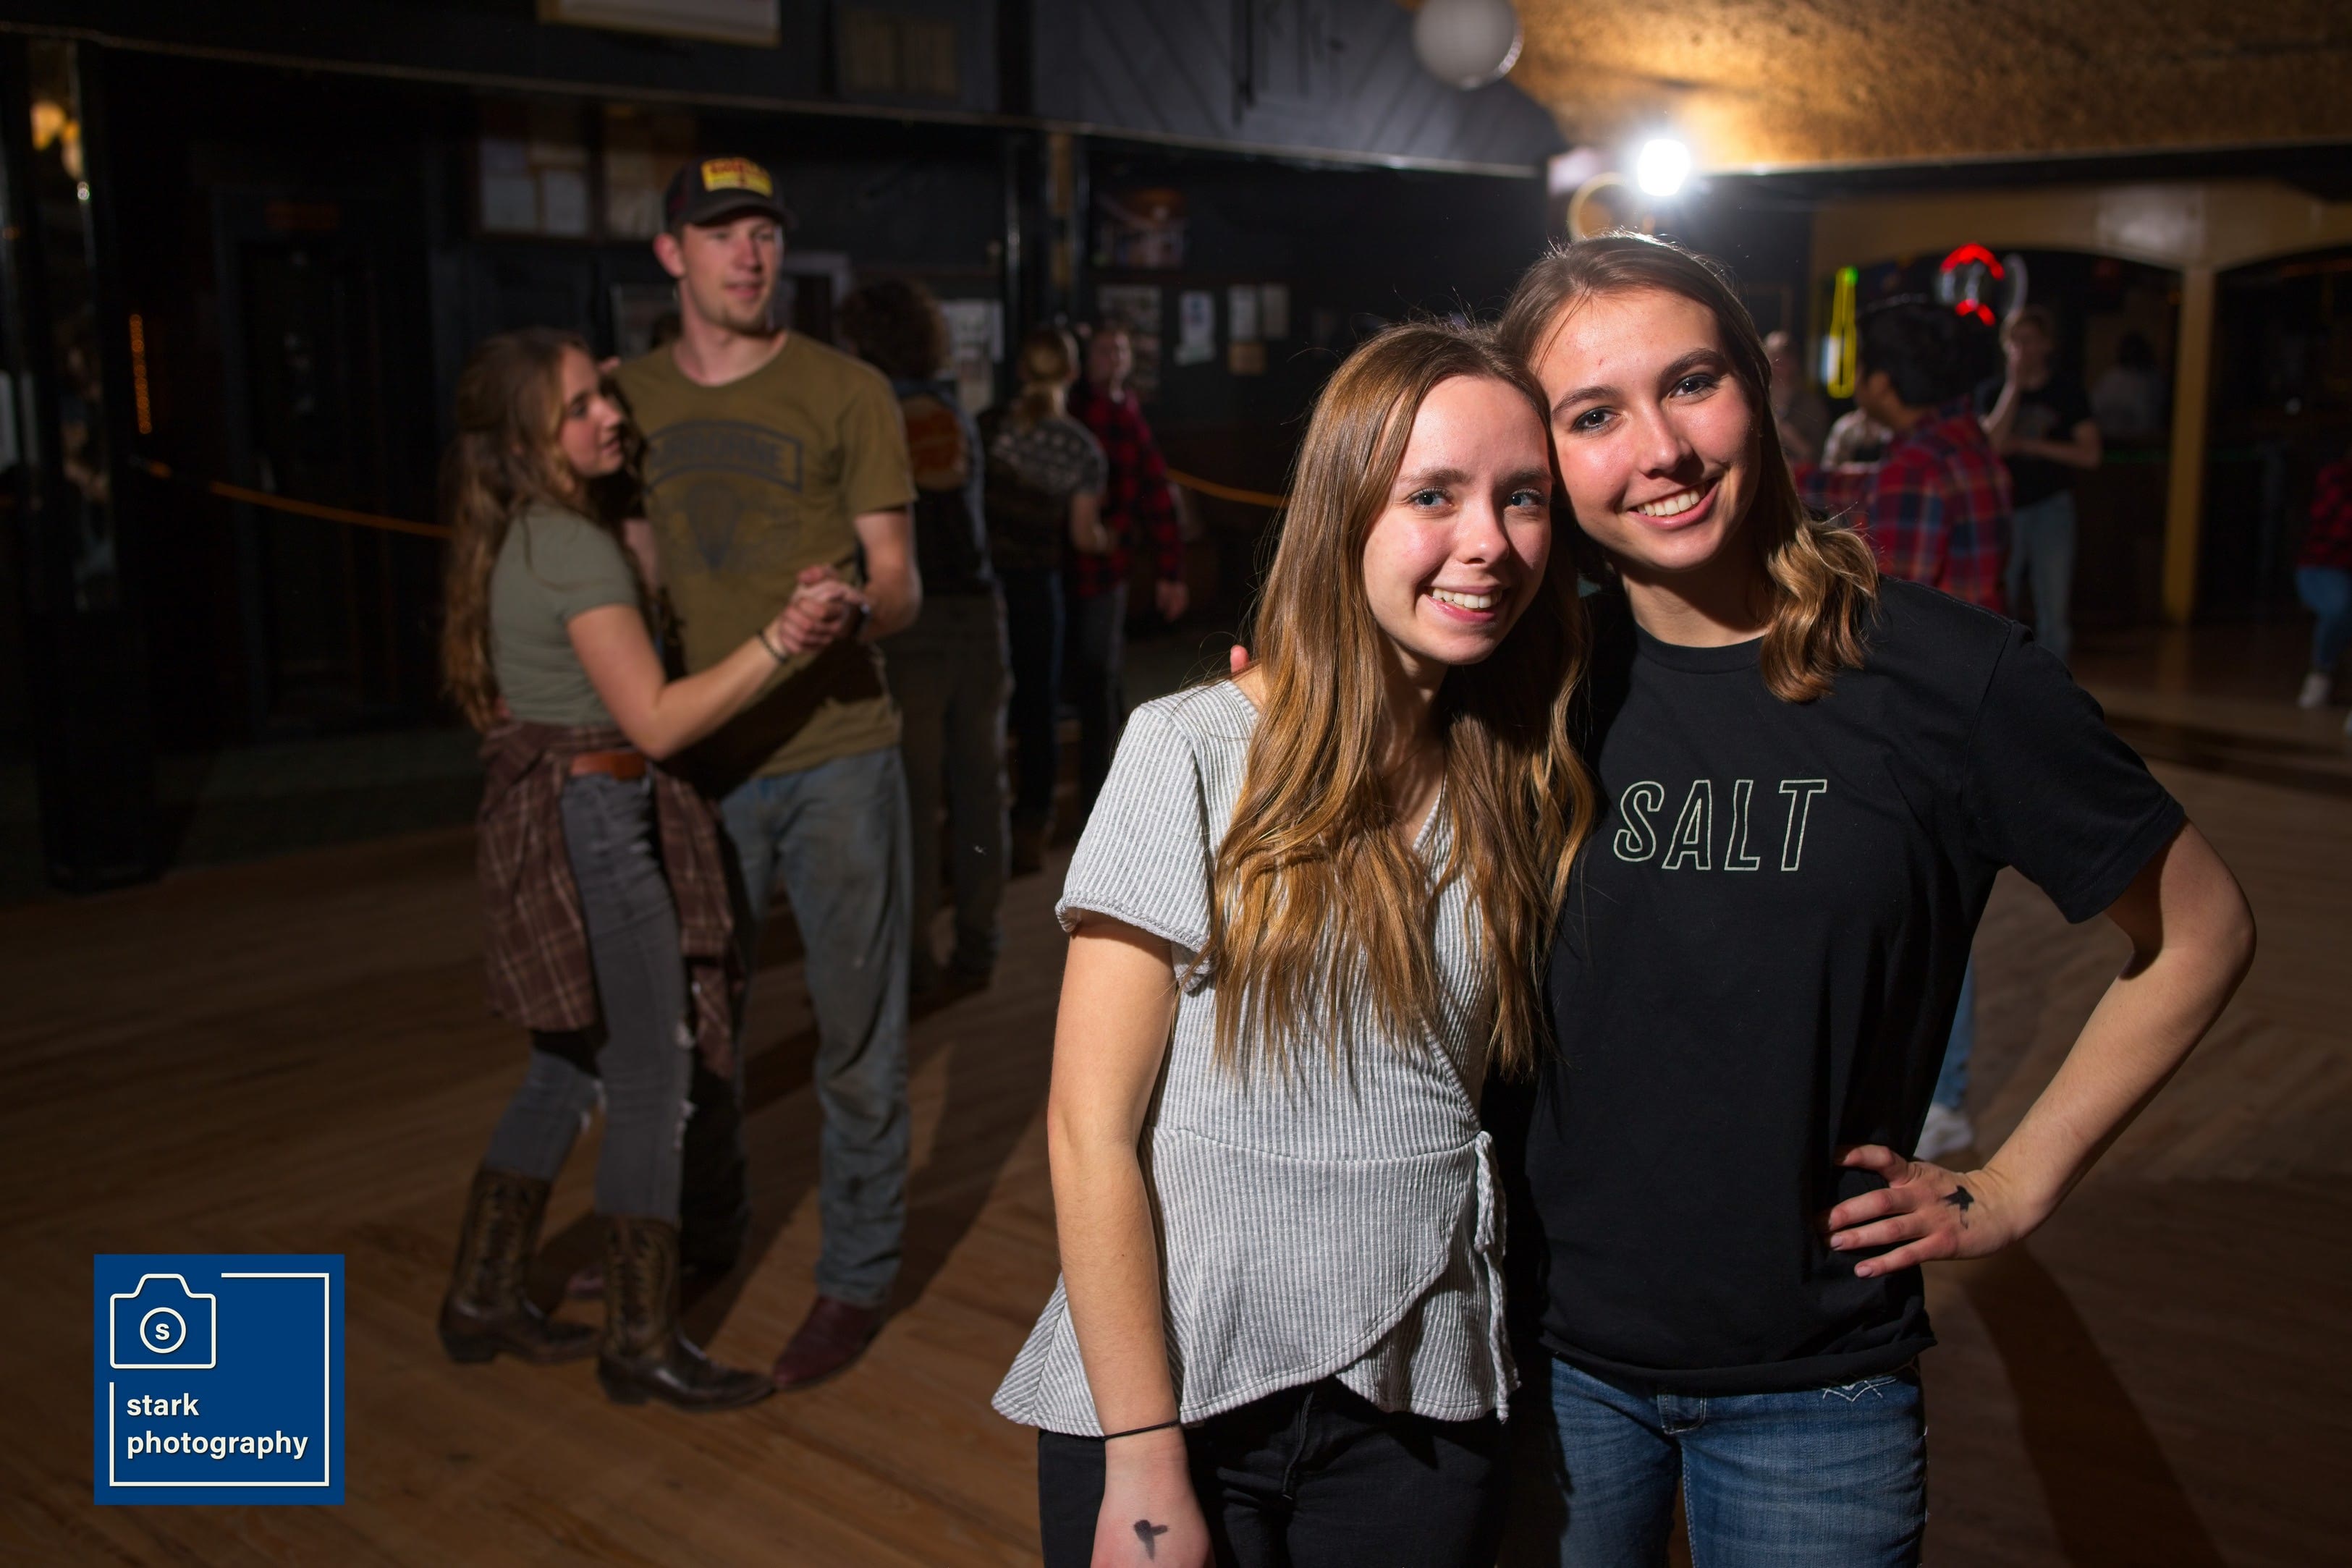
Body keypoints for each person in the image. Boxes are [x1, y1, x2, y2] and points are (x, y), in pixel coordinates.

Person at [1489, 234, 2254, 1567]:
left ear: (1759, 388)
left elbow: (2202, 929)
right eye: (1593, 415)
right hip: (1541, 1361)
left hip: (1814, 1389)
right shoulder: (1521, 687)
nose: (1661, 449)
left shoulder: (1947, 678)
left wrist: (2014, 1184)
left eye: (1691, 383)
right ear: (1542, 456)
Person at [994, 321, 1595, 1568]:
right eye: (1432, 494)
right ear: (1342, 511)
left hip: (1418, 1400)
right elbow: (1087, 1128)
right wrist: (1144, 1460)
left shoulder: (1520, 775)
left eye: (1522, 496)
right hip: (1181, 1398)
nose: (1489, 539)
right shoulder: (1192, 749)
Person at [436, 327, 811, 1412]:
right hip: (598, 818)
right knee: (652, 1075)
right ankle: (641, 1341)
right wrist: (783, 638)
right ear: (526, 439)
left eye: (605, 393)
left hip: (558, 811)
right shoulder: (572, 548)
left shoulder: (528, 532)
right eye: (580, 406)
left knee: (566, 1065)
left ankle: (480, 1294)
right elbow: (655, 720)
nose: (610, 413)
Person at [612, 155, 921, 1391]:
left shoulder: (846, 389)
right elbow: (633, 575)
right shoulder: (627, 399)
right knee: (697, 1033)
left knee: (857, 1035)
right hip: (700, 762)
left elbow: (899, 584)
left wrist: (852, 608)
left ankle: (856, 1273)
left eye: (764, 232)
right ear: (670, 252)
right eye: (719, 232)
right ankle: (704, 1236)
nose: (748, 254)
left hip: (838, 752)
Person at [1799, 300, 2018, 1161]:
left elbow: (1891, 600)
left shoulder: (1919, 465)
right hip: (1975, 706)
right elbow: (1865, 488)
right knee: (1937, 907)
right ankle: (1942, 1091)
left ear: (1884, 382)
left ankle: (1941, 1098)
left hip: (1923, 717)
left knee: (1920, 918)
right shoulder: (1966, 445)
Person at [839, 278, 1010, 992]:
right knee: (980, 791)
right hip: (978, 614)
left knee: (910, 801)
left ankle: (912, 962)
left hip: (909, 622)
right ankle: (980, 942)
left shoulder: (873, 414)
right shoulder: (952, 410)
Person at [985, 326, 1114, 873]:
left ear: (1020, 370)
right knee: (1038, 708)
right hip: (1039, 586)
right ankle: (1031, 829)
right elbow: (1085, 537)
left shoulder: (988, 427)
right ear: (1071, 373)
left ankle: (982, 833)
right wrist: (1112, 540)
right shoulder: (1081, 447)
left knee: (987, 708)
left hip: (985, 586)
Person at [1067, 323, 1189, 818]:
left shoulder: (1128, 414)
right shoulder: (1076, 411)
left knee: (1102, 674)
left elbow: (1156, 495)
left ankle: (1104, 797)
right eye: (1104, 350)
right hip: (1062, 566)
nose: (1113, 358)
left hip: (1106, 569)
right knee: (1091, 678)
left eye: (1120, 349)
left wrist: (1170, 571)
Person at [1979, 305, 2101, 664]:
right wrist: (2013, 387)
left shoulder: (2067, 392)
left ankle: (2054, 686)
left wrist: (2030, 446)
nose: (2022, 350)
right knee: (2000, 602)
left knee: (2053, 605)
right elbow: (1990, 446)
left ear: (2047, 344)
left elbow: (2091, 454)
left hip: (2052, 507)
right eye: (2014, 342)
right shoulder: (1991, 392)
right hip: (2004, 510)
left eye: (2030, 340)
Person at [2295, 441, 2352, 724]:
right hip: (2323, 567)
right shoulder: (2335, 478)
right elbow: (2341, 526)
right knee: (2341, 607)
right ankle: (2322, 670)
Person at [1764, 329, 1829, 467]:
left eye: (1782, 359)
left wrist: (1784, 431)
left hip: (1799, 476)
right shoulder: (1755, 401)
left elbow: (1817, 457)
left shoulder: (1812, 407)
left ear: (1794, 362)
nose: (1776, 364)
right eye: (1772, 357)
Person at [2091, 330, 2167, 445]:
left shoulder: (2152, 379)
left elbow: (2153, 414)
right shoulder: (2112, 377)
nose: (2132, 353)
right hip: (2110, 440)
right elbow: (2094, 409)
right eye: (2130, 349)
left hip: (2143, 441)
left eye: (2136, 350)